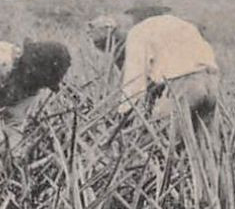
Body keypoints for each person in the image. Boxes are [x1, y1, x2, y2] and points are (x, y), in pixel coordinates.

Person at [92, 12, 222, 130]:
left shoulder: (136, 35)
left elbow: (134, 85)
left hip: (185, 84)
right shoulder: (167, 24)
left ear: (115, 36)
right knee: (203, 145)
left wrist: (122, 117)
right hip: (212, 81)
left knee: (165, 135)